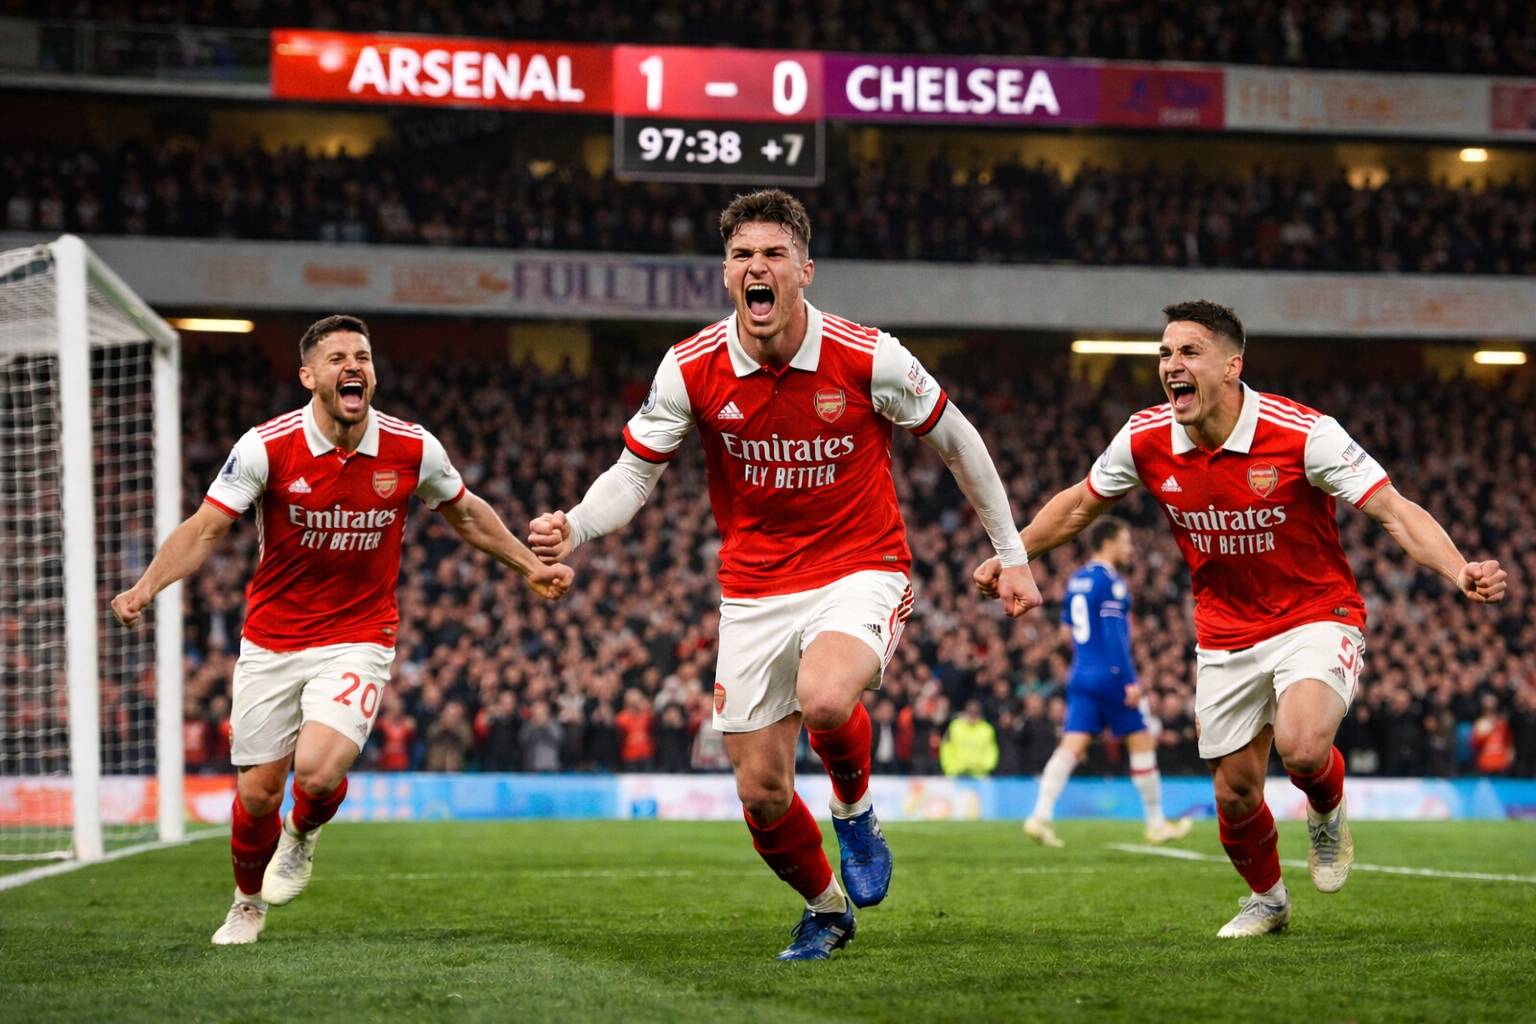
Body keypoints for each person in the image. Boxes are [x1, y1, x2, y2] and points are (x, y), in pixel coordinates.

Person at [529, 189, 1039, 960]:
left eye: (772, 254)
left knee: (827, 697)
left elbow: (960, 443)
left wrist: (1012, 553)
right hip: (753, 587)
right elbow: (634, 477)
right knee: (761, 794)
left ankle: (856, 809)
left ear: (805, 269)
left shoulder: (870, 356)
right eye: (741, 255)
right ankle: (827, 909)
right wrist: (576, 524)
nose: (755, 267)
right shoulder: (692, 368)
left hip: (859, 565)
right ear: (726, 274)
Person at [975, 299, 1505, 938]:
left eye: (1188, 352)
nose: (1171, 365)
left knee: (1304, 748)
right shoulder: (1145, 438)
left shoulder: (1304, 433)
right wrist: (1012, 555)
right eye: (1165, 353)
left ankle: (1327, 808)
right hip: (1224, 631)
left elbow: (1393, 509)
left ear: (1233, 365)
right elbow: (1080, 506)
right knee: (1234, 794)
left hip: (1316, 612)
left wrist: (1458, 569)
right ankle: (1269, 899)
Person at [110, 314, 572, 946]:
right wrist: (145, 587)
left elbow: (466, 514)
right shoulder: (266, 447)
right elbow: (205, 529)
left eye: (363, 356)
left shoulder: (412, 447)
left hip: (360, 634)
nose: (354, 366)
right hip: (271, 638)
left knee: (319, 773)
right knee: (257, 793)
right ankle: (247, 904)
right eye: (336, 358)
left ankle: (301, 838)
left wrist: (529, 565)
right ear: (308, 376)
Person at [1022, 516, 1193, 848]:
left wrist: (1088, 658)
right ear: (1109, 543)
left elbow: (1066, 633)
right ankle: (1156, 823)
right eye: (1126, 541)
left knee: (1072, 745)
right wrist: (1128, 679)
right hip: (1110, 675)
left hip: (1081, 673)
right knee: (1142, 742)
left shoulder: (1076, 580)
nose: (1130, 548)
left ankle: (1039, 816)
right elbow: (1116, 635)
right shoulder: (1112, 582)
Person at [939, 699, 999, 777]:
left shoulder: (986, 729)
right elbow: (946, 748)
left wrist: (986, 767)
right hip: (956, 773)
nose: (972, 715)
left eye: (975, 713)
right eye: (970, 712)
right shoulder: (955, 727)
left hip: (979, 774)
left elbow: (992, 750)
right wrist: (949, 768)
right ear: (965, 712)